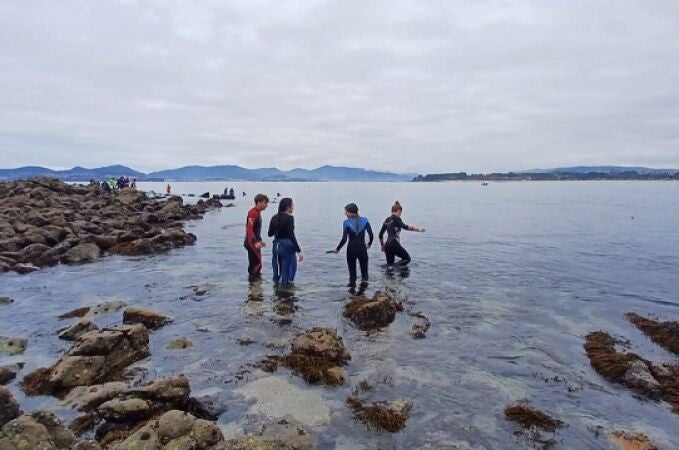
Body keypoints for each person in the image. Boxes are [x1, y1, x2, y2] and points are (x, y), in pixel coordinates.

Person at [334, 203, 373, 285]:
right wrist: (369, 243)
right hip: (362, 249)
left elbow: (344, 239)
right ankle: (363, 292)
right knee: (365, 274)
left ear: (352, 212)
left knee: (352, 275)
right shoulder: (365, 220)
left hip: (351, 250)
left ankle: (352, 294)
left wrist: (338, 249)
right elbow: (371, 234)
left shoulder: (346, 223)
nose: (345, 214)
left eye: (346, 212)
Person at [268, 197, 303, 284]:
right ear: (288, 207)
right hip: (287, 246)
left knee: (277, 270)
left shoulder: (274, 217)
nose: (293, 207)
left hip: (276, 245)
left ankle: (276, 291)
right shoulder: (290, 218)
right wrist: (299, 251)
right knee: (288, 270)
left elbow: (269, 234)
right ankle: (286, 294)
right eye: (292, 205)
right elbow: (291, 235)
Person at [378, 201, 425, 266]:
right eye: (401, 213)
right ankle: (393, 267)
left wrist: (382, 246)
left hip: (387, 245)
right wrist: (418, 229)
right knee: (407, 259)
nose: (401, 214)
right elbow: (405, 227)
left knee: (389, 265)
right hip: (394, 243)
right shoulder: (397, 218)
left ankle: (389, 269)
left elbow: (380, 234)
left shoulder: (387, 220)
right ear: (399, 211)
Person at [244, 194, 269, 279]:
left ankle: (256, 285)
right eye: (265, 203)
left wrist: (260, 240)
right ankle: (253, 286)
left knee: (258, 264)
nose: (267, 205)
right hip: (251, 242)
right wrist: (255, 242)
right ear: (259, 202)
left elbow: (256, 230)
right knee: (256, 264)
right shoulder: (253, 213)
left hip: (253, 241)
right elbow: (249, 228)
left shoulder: (257, 213)